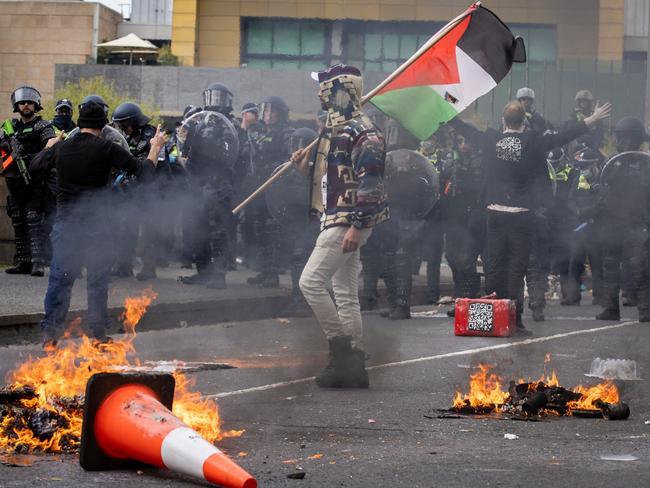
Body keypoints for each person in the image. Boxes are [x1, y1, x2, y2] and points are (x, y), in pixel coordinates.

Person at [448, 100, 611, 333]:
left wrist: (448, 115)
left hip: (494, 212)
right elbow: (563, 137)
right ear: (524, 122)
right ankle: (515, 321)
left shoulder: (492, 139)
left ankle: (492, 321)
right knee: (517, 267)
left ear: (503, 121)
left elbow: (467, 130)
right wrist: (591, 119)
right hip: (521, 215)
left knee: (494, 266)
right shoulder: (534, 141)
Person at [32, 101, 165, 348]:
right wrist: (155, 147)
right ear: (102, 124)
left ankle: (50, 335)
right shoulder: (107, 147)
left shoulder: (62, 147)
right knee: (97, 282)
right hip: (98, 228)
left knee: (60, 280)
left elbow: (35, 168)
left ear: (80, 124)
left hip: (67, 225)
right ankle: (97, 335)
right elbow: (144, 173)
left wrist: (49, 146)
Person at [292, 64, 389, 388]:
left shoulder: (364, 132)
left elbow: (371, 182)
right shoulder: (336, 130)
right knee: (345, 293)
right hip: (337, 217)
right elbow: (329, 179)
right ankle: (354, 367)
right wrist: (305, 166)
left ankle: (343, 351)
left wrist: (358, 226)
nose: (319, 94)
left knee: (310, 283)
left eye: (326, 88)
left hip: (346, 221)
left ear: (341, 92)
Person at [178, 84, 240, 289]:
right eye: (213, 96)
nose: (216, 101)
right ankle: (203, 271)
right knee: (198, 229)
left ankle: (219, 274)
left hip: (220, 184)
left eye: (220, 97)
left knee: (218, 231)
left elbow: (231, 156)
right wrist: (189, 137)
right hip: (199, 184)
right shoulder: (200, 123)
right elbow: (188, 154)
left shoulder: (231, 125)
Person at [596, 116, 650, 321]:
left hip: (636, 224)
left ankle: (645, 309)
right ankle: (611, 308)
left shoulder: (642, 164)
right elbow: (604, 194)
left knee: (641, 267)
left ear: (631, 139)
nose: (619, 142)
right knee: (611, 266)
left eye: (622, 138)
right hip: (616, 224)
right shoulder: (614, 164)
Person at [0, 86, 56, 276]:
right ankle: (22, 261)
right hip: (14, 181)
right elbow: (2, 156)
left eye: (29, 103)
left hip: (34, 181)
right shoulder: (9, 128)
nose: (26, 106)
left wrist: (32, 158)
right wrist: (7, 147)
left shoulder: (43, 126)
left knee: (34, 220)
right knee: (17, 220)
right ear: (16, 105)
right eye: (22, 103)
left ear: (36, 105)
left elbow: (51, 146)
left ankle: (38, 262)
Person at [246, 95, 294, 288]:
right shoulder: (258, 132)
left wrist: (270, 169)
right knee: (259, 230)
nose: (267, 114)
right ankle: (264, 270)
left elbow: (288, 160)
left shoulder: (287, 133)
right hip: (258, 187)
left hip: (276, 189)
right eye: (265, 110)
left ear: (280, 113)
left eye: (272, 110)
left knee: (272, 231)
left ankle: (272, 273)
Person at [110, 102, 160, 280]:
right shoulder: (122, 136)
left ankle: (149, 268)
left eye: (123, 124)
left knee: (149, 229)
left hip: (149, 188)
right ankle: (124, 266)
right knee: (126, 227)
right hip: (129, 190)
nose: (121, 128)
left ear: (133, 121)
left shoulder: (152, 134)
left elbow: (158, 164)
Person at [566, 147, 604, 305]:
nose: (583, 169)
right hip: (580, 227)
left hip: (597, 227)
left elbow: (606, 202)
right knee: (575, 261)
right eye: (581, 166)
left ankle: (600, 296)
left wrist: (592, 211)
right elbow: (570, 201)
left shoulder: (603, 179)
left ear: (594, 164)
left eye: (586, 165)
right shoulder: (578, 181)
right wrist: (579, 211)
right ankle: (573, 296)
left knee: (597, 263)